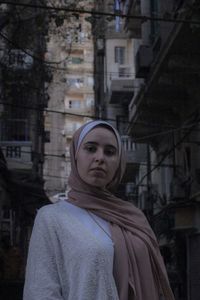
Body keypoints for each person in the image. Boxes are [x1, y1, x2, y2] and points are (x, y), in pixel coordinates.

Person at [23, 120, 175, 300]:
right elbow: (40, 292)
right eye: (90, 148)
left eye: (110, 152)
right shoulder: (52, 218)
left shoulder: (133, 217)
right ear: (75, 155)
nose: (100, 158)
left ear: (118, 163)